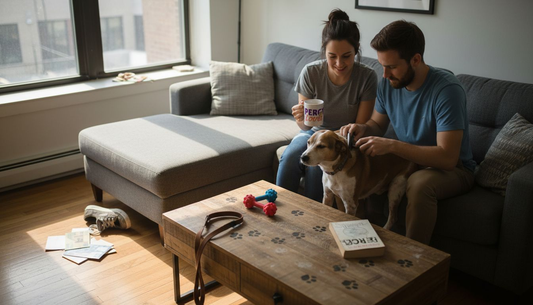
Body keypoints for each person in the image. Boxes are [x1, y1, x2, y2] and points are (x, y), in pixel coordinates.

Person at [340, 20, 476, 245]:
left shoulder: (447, 91)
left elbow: (448, 158)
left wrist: (392, 146)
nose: (384, 74)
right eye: (382, 65)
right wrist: (363, 129)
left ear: (415, 59)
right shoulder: (388, 84)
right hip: (408, 161)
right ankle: (358, 243)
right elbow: (377, 124)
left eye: (391, 67)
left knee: (420, 184)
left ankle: (414, 264)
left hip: (454, 170)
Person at [276, 9, 377, 202]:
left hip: (344, 139)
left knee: (318, 167)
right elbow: (306, 127)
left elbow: (359, 128)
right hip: (313, 133)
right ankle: (279, 208)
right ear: (324, 52)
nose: (339, 63)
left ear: (356, 51)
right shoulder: (311, 72)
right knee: (289, 157)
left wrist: (334, 139)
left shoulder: (367, 77)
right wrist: (302, 119)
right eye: (332, 56)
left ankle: (316, 221)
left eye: (347, 56)